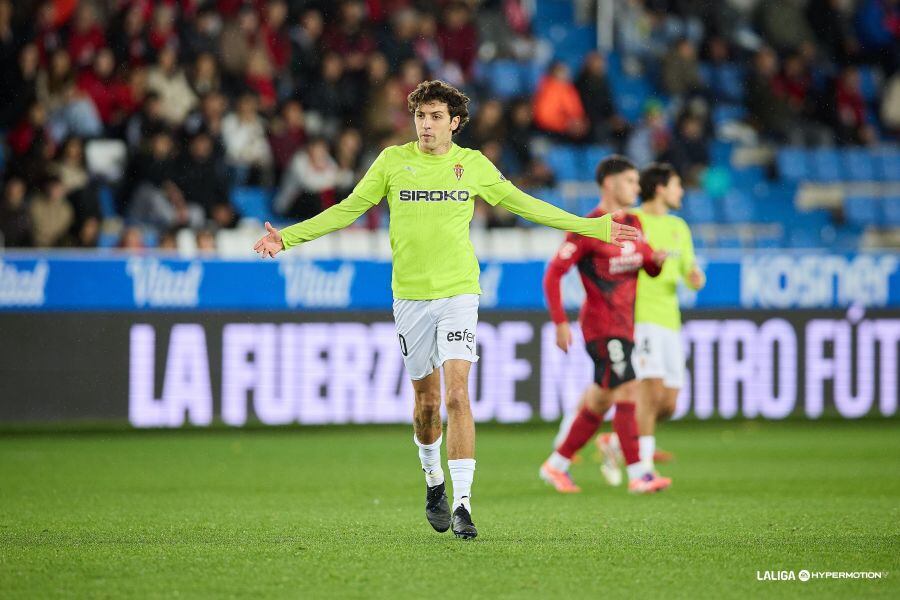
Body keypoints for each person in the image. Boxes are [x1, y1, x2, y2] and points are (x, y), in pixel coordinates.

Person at [253, 80, 639, 539]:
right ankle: (434, 482)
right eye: (420, 116)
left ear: (454, 122)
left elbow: (526, 205)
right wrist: (288, 237)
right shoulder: (393, 162)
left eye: (436, 116)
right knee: (427, 404)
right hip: (410, 298)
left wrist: (591, 227)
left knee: (458, 393)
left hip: (459, 293)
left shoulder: (471, 165)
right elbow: (347, 210)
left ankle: (462, 505)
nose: (426, 125)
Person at [539, 155, 671, 495]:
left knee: (598, 401)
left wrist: (655, 262)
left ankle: (556, 465)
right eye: (630, 181)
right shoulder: (588, 226)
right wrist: (559, 323)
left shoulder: (636, 224)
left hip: (626, 327)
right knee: (628, 387)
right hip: (600, 326)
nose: (636, 187)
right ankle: (640, 473)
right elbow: (553, 274)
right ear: (609, 184)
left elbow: (646, 265)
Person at [628, 163, 705, 478]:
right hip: (641, 317)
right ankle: (643, 467)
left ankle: (621, 443)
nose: (681, 191)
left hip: (670, 320)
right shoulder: (633, 222)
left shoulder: (679, 227)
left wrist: (694, 276)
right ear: (660, 188)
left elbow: (689, 267)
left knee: (670, 404)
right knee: (651, 391)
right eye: (676, 185)